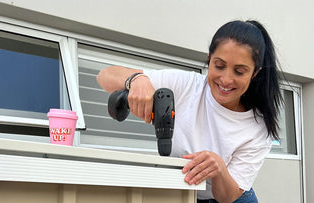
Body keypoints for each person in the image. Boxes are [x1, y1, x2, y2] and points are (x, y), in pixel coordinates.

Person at [97, 20, 282, 203]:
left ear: (255, 73)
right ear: (209, 59)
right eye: (219, 65)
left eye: (239, 71)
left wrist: (219, 169)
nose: (226, 79)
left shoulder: (258, 128)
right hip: (182, 191)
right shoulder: (185, 85)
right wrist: (137, 79)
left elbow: (228, 197)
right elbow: (104, 76)